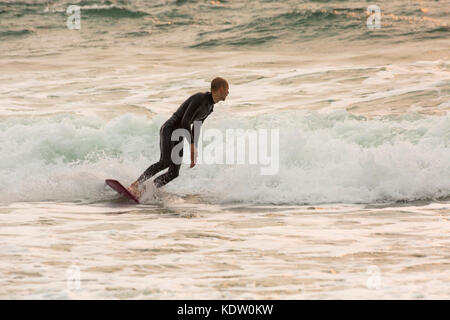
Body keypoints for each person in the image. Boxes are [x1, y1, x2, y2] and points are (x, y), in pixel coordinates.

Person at [128, 77, 229, 198]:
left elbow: (197, 126)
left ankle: (146, 190)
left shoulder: (210, 107)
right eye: (227, 90)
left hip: (180, 134)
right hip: (170, 129)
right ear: (221, 89)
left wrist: (194, 149)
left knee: (174, 173)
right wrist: (191, 145)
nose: (228, 93)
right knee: (165, 162)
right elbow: (185, 121)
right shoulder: (200, 98)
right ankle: (135, 185)